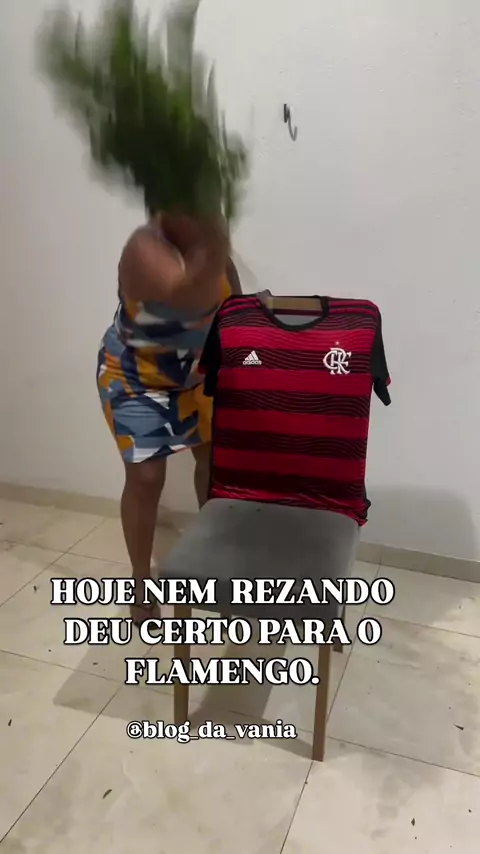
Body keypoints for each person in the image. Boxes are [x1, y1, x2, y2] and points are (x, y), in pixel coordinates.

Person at [96, 211, 241, 624]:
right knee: (146, 478)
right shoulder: (148, 261)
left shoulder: (217, 256)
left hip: (194, 378)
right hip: (136, 375)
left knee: (212, 464)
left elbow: (233, 307)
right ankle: (141, 582)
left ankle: (212, 560)